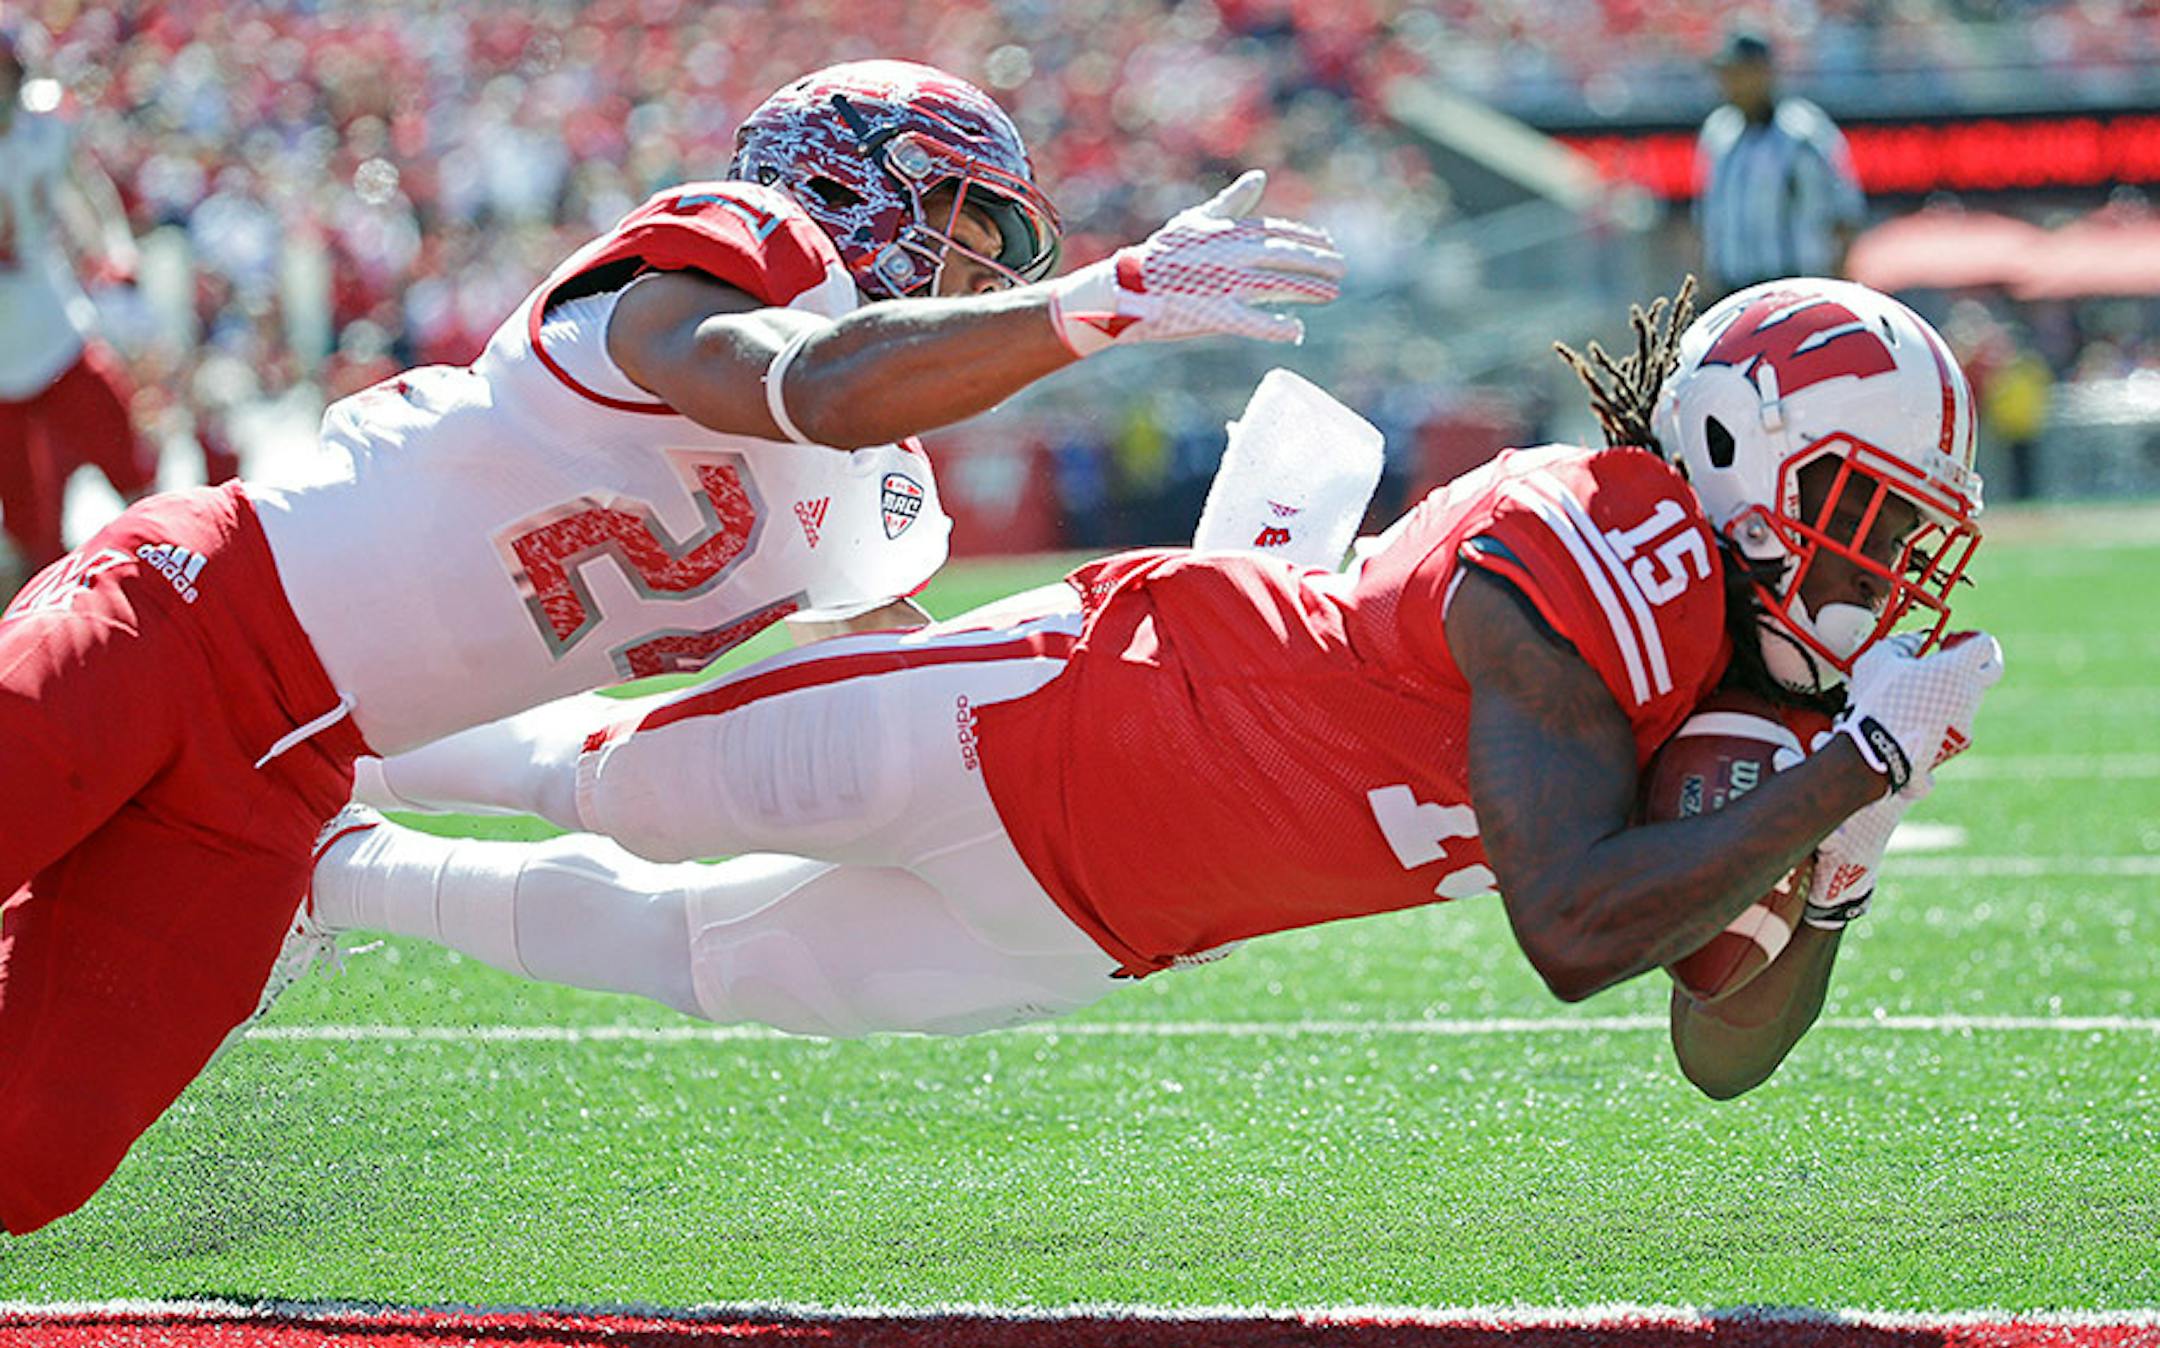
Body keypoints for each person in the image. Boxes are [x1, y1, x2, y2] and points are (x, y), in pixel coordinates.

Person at [0, 58, 1344, 1236]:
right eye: (957, 218)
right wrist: (1098, 302)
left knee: (29, 1162)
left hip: (283, 790)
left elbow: (909, 718)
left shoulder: (882, 498)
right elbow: (806, 384)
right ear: (851, 177)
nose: (975, 262)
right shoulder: (731, 249)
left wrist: (1170, 807)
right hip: (183, 613)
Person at [312, 276, 2003, 1108]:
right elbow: (1570, 928)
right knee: (622, 782)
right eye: (1860, 519)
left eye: (1903, 541)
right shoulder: (1607, 531)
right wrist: (1846, 760)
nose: (1871, 584)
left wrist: (1837, 866)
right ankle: (288, 727)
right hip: (1047, 714)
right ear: (1725, 457)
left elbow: (1720, 1049)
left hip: (1104, 916)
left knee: (697, 958)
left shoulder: (1766, 719)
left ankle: (324, 876)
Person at [0, 19, 157, 600]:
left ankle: (166, 582)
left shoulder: (45, 122)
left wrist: (113, 248)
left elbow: (82, 186)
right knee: (29, 530)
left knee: (133, 470)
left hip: (55, 327)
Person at [1693, 26, 1866, 299]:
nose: (1728, 82)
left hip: (1795, 289)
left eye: (1739, 72)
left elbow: (1843, 214)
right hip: (1732, 289)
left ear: (1763, 72)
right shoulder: (1718, 132)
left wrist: (1837, 287)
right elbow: (1709, 220)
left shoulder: (1802, 133)